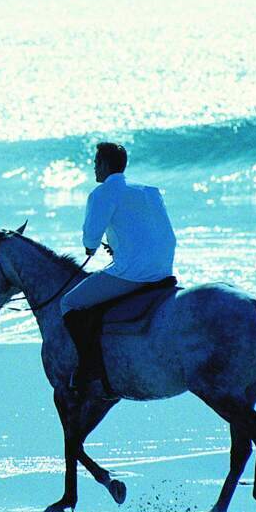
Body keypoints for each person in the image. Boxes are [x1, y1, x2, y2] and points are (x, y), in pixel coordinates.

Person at [61, 142, 176, 394]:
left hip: (134, 273)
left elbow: (91, 236)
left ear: (103, 164)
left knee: (68, 303)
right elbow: (150, 231)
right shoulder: (149, 191)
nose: (93, 168)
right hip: (164, 267)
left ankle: (89, 366)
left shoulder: (102, 193)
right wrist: (122, 249)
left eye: (95, 163)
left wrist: (90, 248)